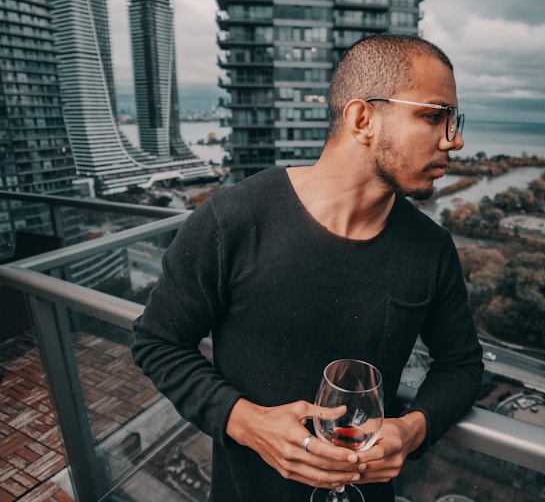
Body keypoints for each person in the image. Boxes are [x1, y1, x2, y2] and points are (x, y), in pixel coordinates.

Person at [132, 33, 483, 501]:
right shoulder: (233, 220)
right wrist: (246, 422)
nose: (454, 140)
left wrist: (412, 430)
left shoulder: (433, 248)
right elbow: (157, 340)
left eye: (453, 120)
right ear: (363, 119)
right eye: (434, 115)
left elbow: (460, 365)